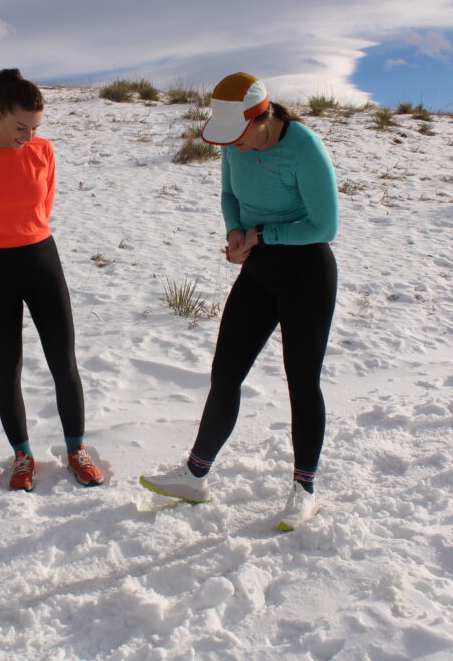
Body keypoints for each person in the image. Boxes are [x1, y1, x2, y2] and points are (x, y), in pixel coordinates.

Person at [140, 72, 338, 530]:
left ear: (263, 118)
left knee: (301, 381)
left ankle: (304, 489)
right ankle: (195, 476)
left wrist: (263, 235)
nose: (234, 147)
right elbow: (230, 194)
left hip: (307, 272)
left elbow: (325, 227)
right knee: (225, 374)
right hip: (259, 271)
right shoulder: (235, 143)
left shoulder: (304, 148)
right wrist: (235, 233)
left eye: (240, 137)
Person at [0, 68, 103, 492]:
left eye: (35, 128)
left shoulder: (43, 151)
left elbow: (46, 201)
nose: (28, 136)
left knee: (64, 362)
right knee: (8, 366)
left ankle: (77, 449)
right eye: (21, 127)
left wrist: (26, 238)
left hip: (42, 260)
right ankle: (22, 456)